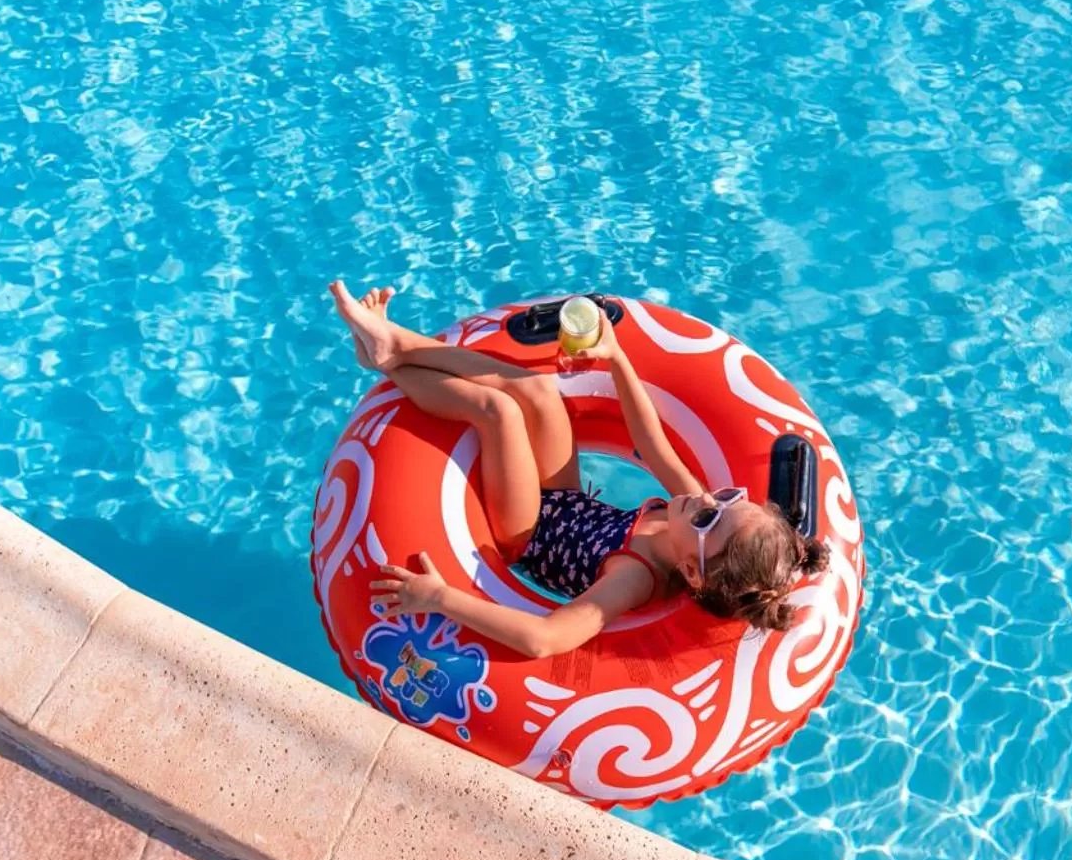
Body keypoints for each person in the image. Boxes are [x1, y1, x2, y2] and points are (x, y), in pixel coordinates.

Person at [330, 281, 827, 659]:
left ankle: (388, 361)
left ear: (693, 571)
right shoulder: (689, 514)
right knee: (538, 392)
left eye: (710, 517)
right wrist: (616, 358)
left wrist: (441, 598)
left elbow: (545, 639)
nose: (706, 499)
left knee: (499, 412)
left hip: (525, 533)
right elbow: (651, 443)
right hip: (566, 500)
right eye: (728, 497)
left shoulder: (635, 578)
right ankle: (399, 345)